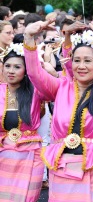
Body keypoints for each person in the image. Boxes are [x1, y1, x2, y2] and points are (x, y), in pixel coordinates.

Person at [23, 19, 93, 201]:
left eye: (88, 61)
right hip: (62, 170)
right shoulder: (61, 87)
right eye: (77, 60)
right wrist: (29, 37)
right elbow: (34, 74)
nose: (81, 66)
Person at [0, 44, 45, 201]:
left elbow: (64, 80)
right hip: (3, 156)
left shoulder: (37, 91)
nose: (11, 71)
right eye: (7, 66)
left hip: (31, 156)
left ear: (26, 70)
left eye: (17, 67)